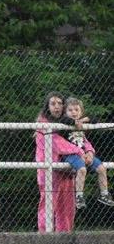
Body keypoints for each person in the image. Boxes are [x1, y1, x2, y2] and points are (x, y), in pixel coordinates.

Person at [35, 92, 83, 232]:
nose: (57, 106)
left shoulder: (67, 122)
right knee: (48, 205)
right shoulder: (43, 123)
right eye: (53, 103)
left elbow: (81, 139)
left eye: (60, 103)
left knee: (67, 207)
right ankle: (44, 236)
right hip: (49, 171)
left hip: (66, 170)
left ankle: (64, 238)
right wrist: (80, 152)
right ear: (47, 106)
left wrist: (89, 151)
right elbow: (56, 143)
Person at [63, 97, 114, 208]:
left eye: (76, 110)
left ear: (81, 112)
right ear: (65, 112)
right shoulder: (65, 124)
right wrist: (75, 122)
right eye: (70, 110)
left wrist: (90, 152)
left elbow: (95, 119)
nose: (74, 112)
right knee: (82, 169)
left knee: (102, 168)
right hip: (71, 155)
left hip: (85, 154)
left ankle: (104, 194)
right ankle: (79, 197)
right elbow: (64, 120)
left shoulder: (81, 124)